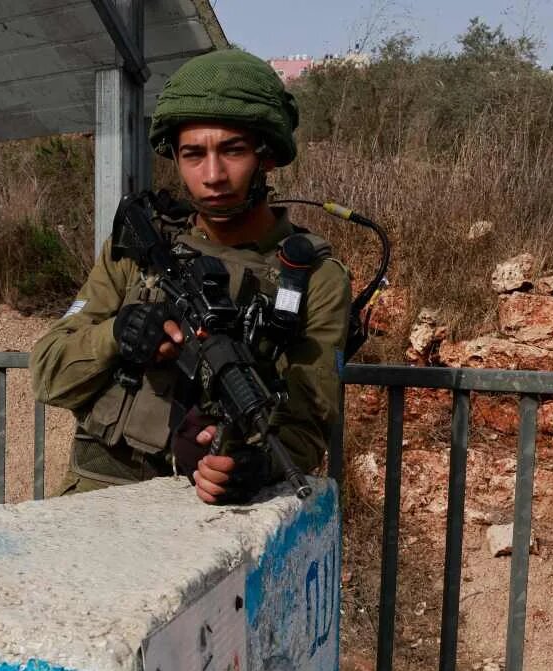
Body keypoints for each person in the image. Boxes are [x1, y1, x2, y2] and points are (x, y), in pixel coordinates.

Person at [30, 49, 348, 505]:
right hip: (98, 506)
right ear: (176, 159)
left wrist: (258, 467)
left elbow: (307, 424)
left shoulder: (312, 278)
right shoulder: (138, 251)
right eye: (193, 154)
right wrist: (116, 335)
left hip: (212, 522)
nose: (212, 175)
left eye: (233, 150)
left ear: (269, 156)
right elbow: (47, 374)